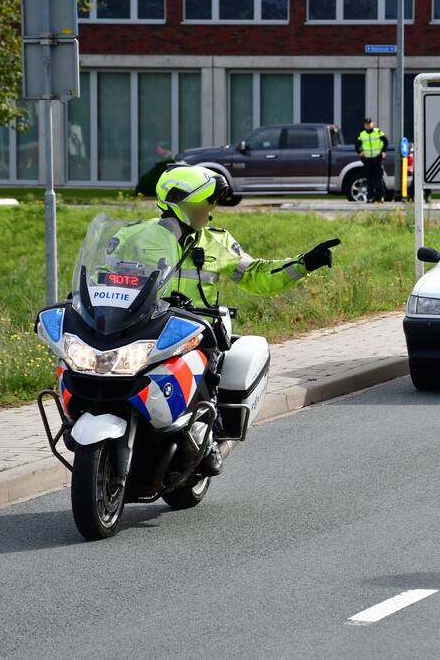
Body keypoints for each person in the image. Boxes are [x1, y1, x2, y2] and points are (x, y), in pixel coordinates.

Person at [134, 163, 339, 475]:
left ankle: (209, 436)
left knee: (207, 372)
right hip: (146, 326)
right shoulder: (135, 237)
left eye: (209, 204)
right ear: (179, 204)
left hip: (194, 330)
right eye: (202, 204)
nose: (209, 211)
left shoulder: (216, 242)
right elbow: (104, 275)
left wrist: (305, 263)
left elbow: (256, 275)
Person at [355, 118, 388, 204]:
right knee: (369, 179)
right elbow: (357, 145)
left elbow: (386, 141)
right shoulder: (362, 134)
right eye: (367, 124)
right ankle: (370, 197)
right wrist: (359, 152)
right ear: (364, 125)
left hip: (377, 159)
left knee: (378, 179)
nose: (368, 125)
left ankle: (380, 197)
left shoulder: (377, 132)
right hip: (367, 160)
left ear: (372, 124)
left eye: (370, 124)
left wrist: (383, 151)